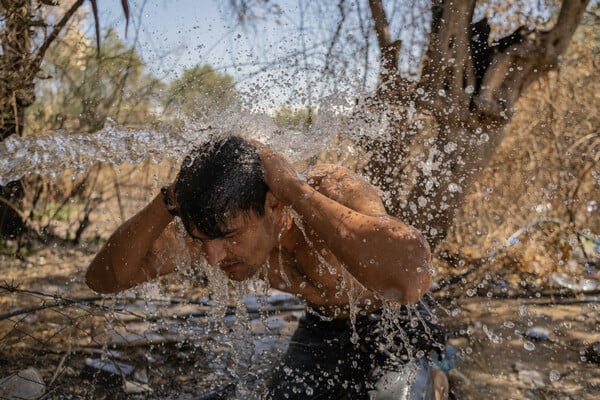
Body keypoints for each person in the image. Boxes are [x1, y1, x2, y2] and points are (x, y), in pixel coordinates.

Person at [86, 135, 451, 399]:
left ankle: (439, 374)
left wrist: (292, 188)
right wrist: (165, 202)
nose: (213, 257)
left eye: (229, 236)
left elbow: (411, 277)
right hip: (320, 327)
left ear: (274, 208)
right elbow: (106, 279)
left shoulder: (330, 190)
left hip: (396, 321)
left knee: (395, 394)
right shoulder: (213, 229)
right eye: (201, 241)